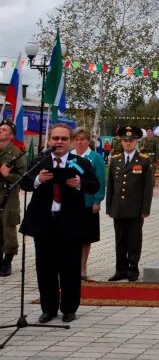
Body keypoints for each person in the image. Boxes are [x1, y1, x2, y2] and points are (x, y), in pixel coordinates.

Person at [20, 123, 99, 323]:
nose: (59, 142)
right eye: (55, 138)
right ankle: (48, 308)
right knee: (45, 267)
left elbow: (94, 185)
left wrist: (79, 183)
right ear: (49, 141)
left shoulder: (79, 162)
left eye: (64, 138)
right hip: (44, 223)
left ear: (71, 141)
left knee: (70, 268)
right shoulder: (39, 161)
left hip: (70, 223)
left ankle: (69, 308)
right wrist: (38, 179)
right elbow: (24, 182)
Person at [106, 125, 155, 282]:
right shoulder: (115, 160)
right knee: (119, 240)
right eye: (125, 140)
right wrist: (109, 207)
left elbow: (148, 188)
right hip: (118, 208)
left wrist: (145, 209)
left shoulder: (144, 160)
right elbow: (111, 186)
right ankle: (120, 269)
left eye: (131, 140)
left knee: (134, 240)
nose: (127, 143)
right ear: (121, 142)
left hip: (135, 208)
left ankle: (132, 269)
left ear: (136, 142)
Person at [70, 127, 106, 281]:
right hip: (69, 203)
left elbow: (100, 180)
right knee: (70, 236)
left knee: (85, 237)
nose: (79, 142)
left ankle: (82, 266)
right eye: (76, 139)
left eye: (82, 139)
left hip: (87, 202)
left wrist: (97, 200)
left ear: (88, 140)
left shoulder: (95, 157)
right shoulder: (68, 156)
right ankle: (70, 265)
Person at [0, 120, 25, 277]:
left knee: (8, 230)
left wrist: (8, 176)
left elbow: (24, 177)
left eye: (4, 129)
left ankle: (7, 262)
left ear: (11, 135)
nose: (1, 131)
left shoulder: (16, 153)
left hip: (8, 197)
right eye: (0, 128)